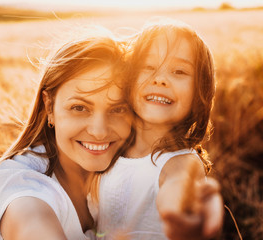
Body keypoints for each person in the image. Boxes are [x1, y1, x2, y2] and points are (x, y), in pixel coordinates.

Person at [0, 34, 133, 240]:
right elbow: (30, 220)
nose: (99, 131)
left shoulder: (132, 169)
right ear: (49, 106)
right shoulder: (24, 189)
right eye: (79, 107)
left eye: (118, 109)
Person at [95, 19, 224, 240]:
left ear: (199, 90)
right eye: (148, 67)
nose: (161, 79)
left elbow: (179, 186)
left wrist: (184, 212)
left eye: (179, 71)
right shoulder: (111, 149)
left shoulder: (180, 161)